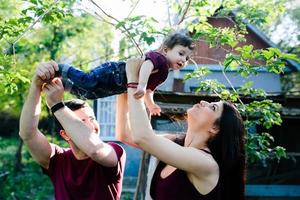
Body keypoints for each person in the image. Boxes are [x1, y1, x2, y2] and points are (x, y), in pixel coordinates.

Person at [115, 63, 246, 199]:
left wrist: (134, 82)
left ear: (215, 128)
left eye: (212, 108)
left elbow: (143, 137)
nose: (203, 102)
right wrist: (123, 89)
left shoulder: (206, 164)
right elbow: (126, 134)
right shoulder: (176, 142)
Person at [19, 61, 126, 200]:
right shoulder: (57, 159)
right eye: (81, 122)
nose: (91, 125)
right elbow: (27, 134)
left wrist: (57, 105)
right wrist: (36, 86)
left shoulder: (115, 151)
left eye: (92, 118)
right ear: (65, 134)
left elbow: (95, 149)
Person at [57, 32, 194, 116]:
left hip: (119, 85)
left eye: (187, 58)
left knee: (90, 94)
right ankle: (64, 69)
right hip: (114, 72)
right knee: (89, 81)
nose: (183, 59)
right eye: (181, 54)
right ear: (166, 50)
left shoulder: (164, 73)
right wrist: (141, 85)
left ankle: (66, 86)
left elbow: (149, 90)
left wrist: (151, 105)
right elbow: (147, 65)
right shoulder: (160, 59)